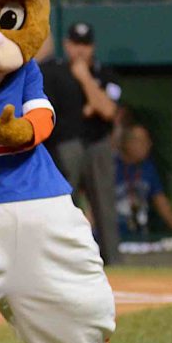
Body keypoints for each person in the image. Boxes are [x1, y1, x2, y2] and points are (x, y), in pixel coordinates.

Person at [41, 21, 123, 264]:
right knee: (66, 205)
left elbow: (107, 110)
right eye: (76, 43)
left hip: (98, 143)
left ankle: (113, 260)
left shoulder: (105, 73)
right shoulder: (53, 72)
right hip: (66, 146)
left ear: (93, 47)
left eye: (85, 45)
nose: (80, 50)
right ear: (67, 44)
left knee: (105, 206)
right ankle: (69, 261)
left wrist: (85, 77)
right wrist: (90, 106)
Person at [115, 123, 172, 238]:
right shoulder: (110, 167)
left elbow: (159, 199)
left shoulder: (148, 168)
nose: (149, 145)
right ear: (129, 144)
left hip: (139, 233)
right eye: (144, 142)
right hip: (111, 234)